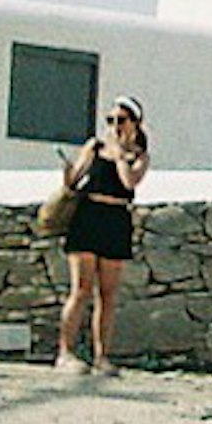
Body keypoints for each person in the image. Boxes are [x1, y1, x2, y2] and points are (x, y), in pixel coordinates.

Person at [53, 97, 149, 378]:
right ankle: (65, 351)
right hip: (88, 216)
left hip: (116, 220)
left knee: (107, 294)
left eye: (122, 120)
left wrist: (121, 153)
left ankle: (101, 355)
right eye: (111, 120)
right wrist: (69, 171)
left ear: (134, 124)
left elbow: (129, 181)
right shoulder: (94, 147)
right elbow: (74, 180)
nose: (115, 126)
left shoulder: (139, 155)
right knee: (81, 289)